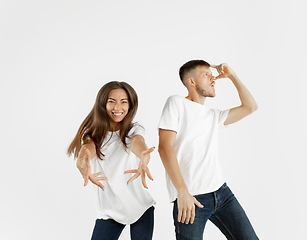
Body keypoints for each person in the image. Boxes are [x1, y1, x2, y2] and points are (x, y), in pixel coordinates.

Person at [158, 60, 259, 240]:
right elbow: (164, 147)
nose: (213, 77)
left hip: (222, 193)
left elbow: (251, 107)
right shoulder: (176, 103)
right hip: (191, 199)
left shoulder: (213, 115)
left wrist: (232, 76)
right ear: (191, 82)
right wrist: (182, 191)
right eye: (206, 74)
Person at [67, 81, 156, 240]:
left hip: (140, 208)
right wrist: (82, 159)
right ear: (102, 104)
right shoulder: (93, 135)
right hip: (110, 211)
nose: (117, 107)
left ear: (130, 105)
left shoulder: (133, 130)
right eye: (111, 101)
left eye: (124, 102)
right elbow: (87, 149)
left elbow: (138, 143)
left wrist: (144, 156)